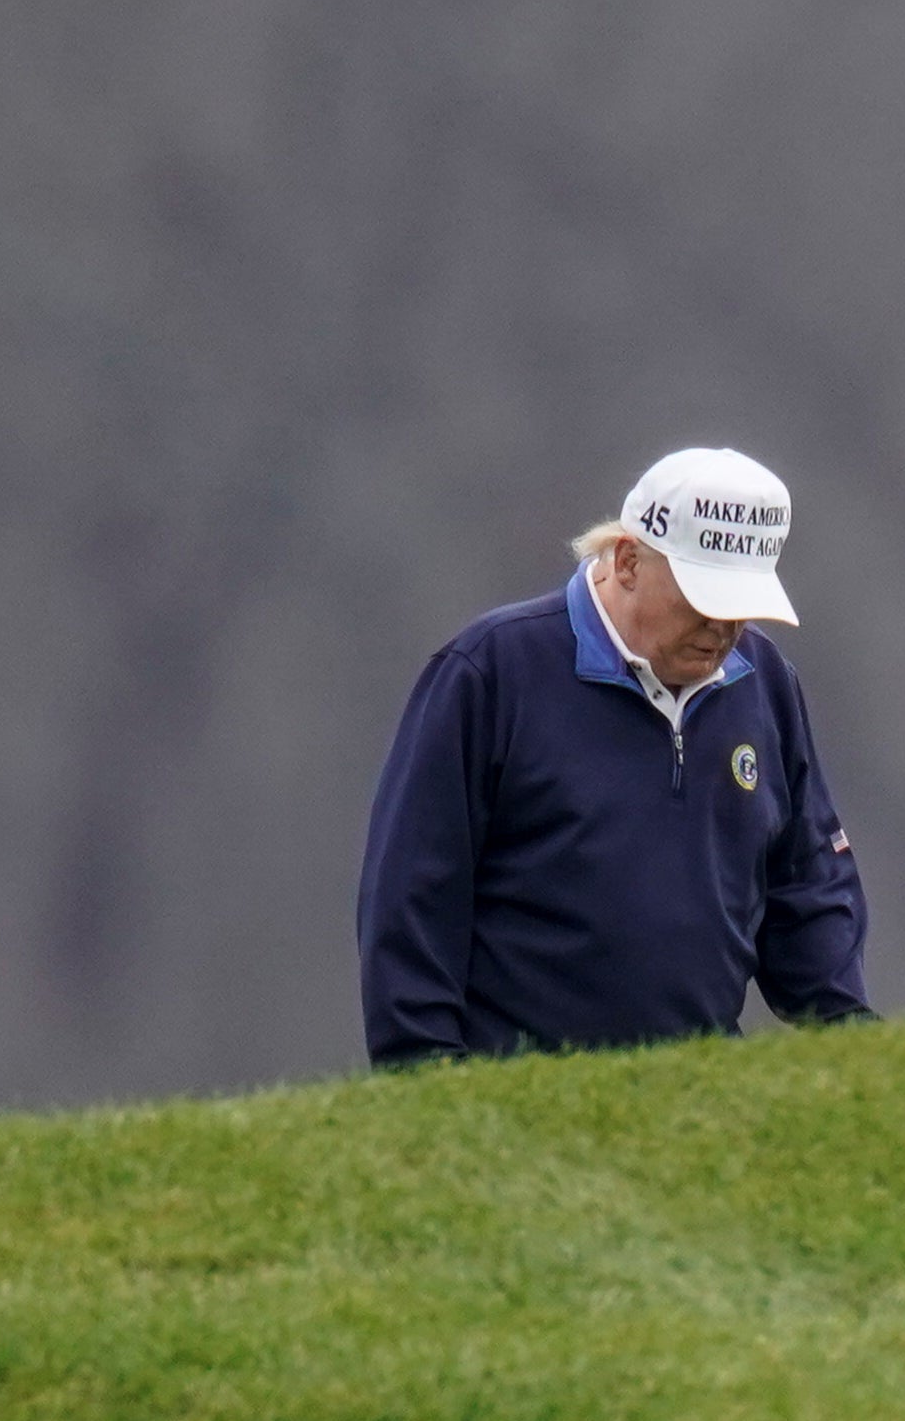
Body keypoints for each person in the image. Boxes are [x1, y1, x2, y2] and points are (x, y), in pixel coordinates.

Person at [357, 445, 873, 1066]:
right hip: (513, 1094)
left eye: (741, 605)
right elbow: (415, 890)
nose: (724, 628)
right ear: (627, 560)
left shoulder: (762, 683)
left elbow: (806, 887)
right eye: (705, 600)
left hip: (693, 1099)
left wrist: (859, 1041)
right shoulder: (492, 671)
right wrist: (423, 1073)